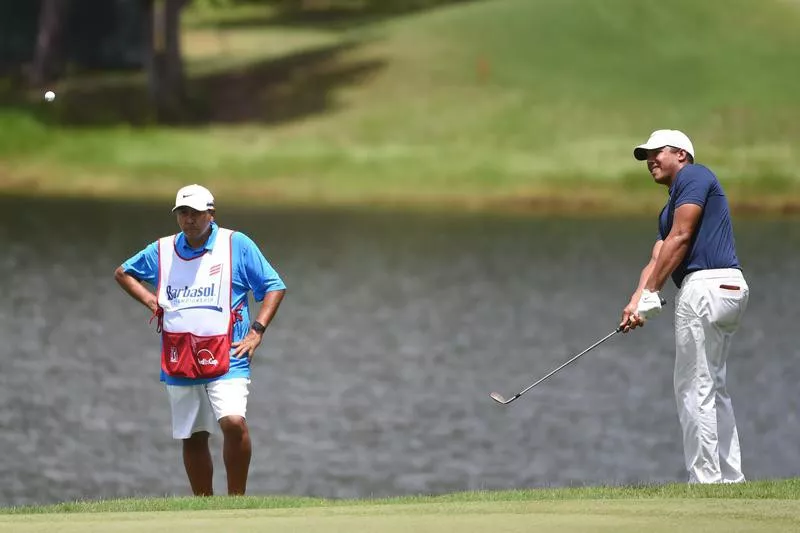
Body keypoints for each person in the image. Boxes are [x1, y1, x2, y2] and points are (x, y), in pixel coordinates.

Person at [114, 184, 286, 496]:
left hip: (229, 352)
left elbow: (274, 285)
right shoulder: (163, 249)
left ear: (211, 214)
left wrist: (256, 331)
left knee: (233, 422)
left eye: (195, 212)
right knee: (193, 435)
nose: (188, 219)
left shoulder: (236, 244)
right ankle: (203, 506)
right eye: (182, 212)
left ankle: (236, 502)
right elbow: (124, 273)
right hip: (180, 355)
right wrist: (152, 302)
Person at [619, 130, 749, 484]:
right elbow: (660, 254)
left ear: (681, 153)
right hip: (725, 288)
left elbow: (682, 237)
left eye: (656, 152)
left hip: (705, 286)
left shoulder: (694, 175)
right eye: (646, 156)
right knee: (712, 384)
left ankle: (706, 479)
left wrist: (652, 294)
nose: (650, 160)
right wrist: (637, 300)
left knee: (694, 386)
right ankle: (730, 477)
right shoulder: (670, 208)